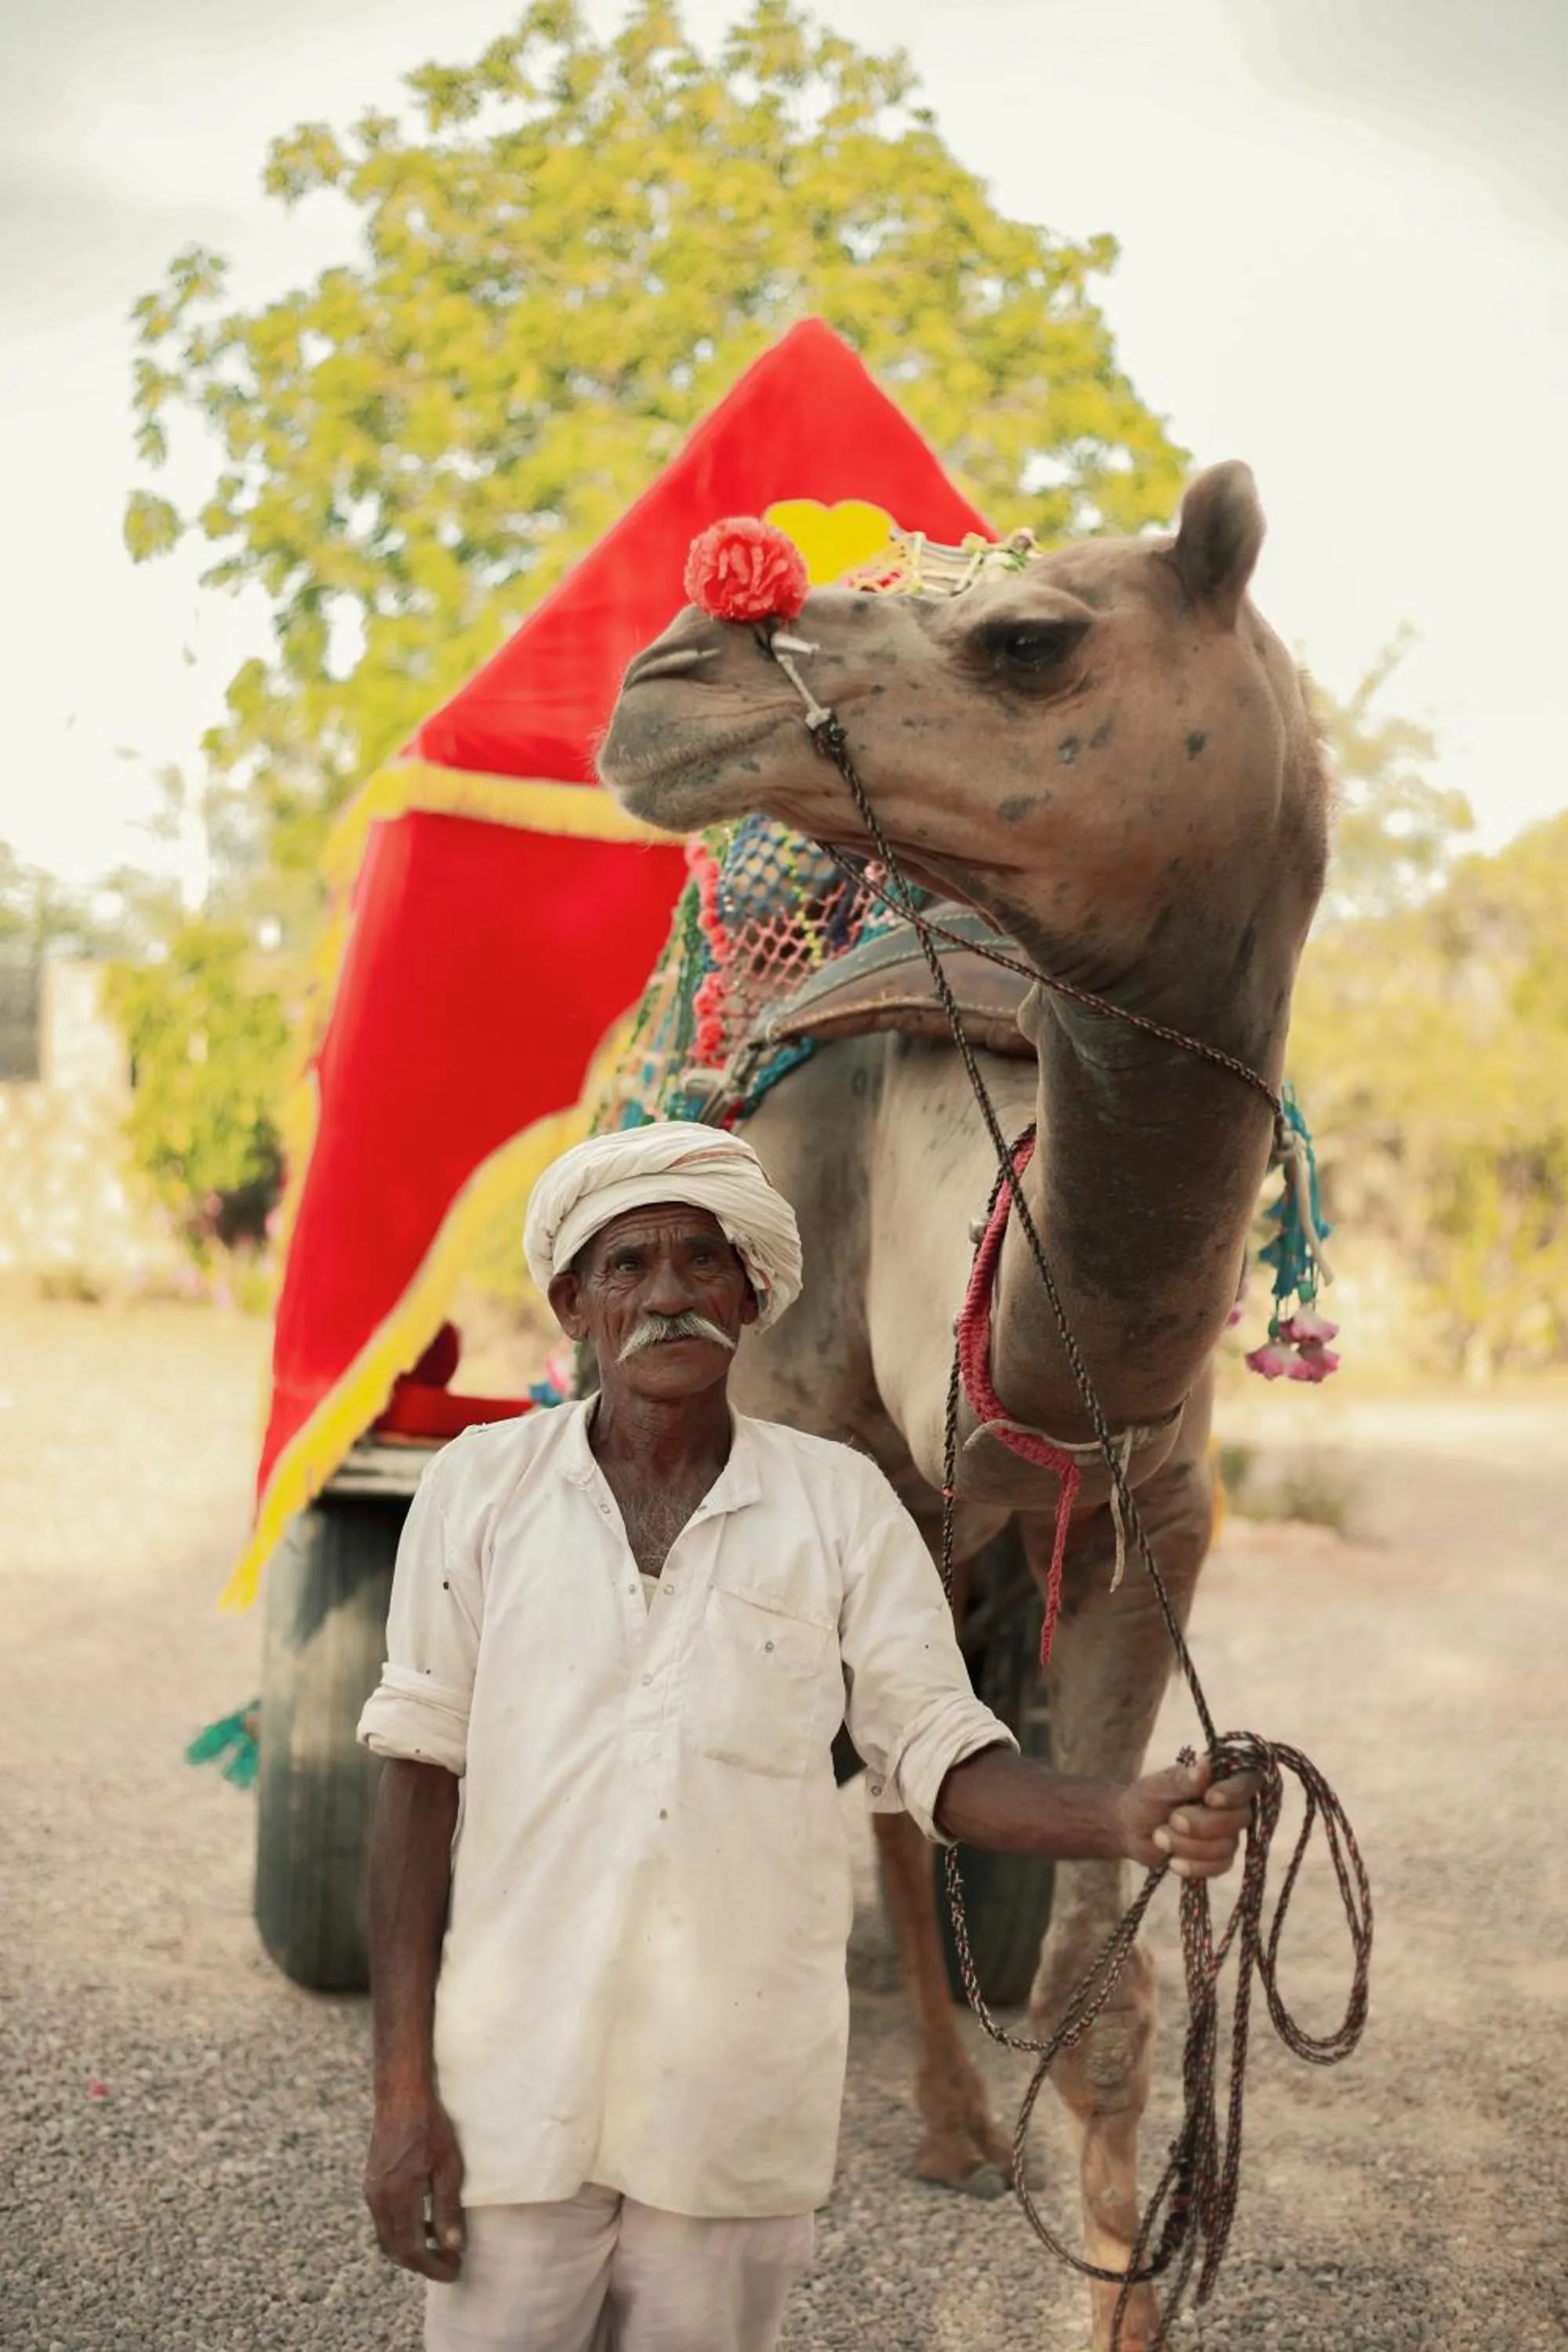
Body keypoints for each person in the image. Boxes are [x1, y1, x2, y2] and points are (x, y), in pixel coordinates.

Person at [358, 1120, 1252, 2352]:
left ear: (753, 1294)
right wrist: (404, 2097)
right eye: (629, 1267)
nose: (669, 1293)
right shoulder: (477, 1489)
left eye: (700, 1263)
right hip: (513, 2097)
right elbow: (415, 1780)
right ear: (573, 1304)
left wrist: (1124, 1813)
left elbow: (941, 1753)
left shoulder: (840, 1507)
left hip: (733, 2107)